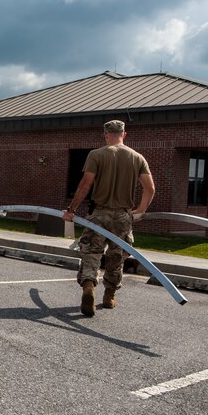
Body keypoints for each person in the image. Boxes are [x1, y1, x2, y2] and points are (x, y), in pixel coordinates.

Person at [63, 120, 155, 317]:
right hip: (123, 215)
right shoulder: (137, 158)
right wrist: (139, 210)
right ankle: (109, 296)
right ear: (124, 134)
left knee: (91, 252)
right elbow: (150, 188)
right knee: (116, 256)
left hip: (99, 214)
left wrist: (71, 210)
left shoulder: (96, 155)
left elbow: (86, 184)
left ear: (105, 135)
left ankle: (89, 284)